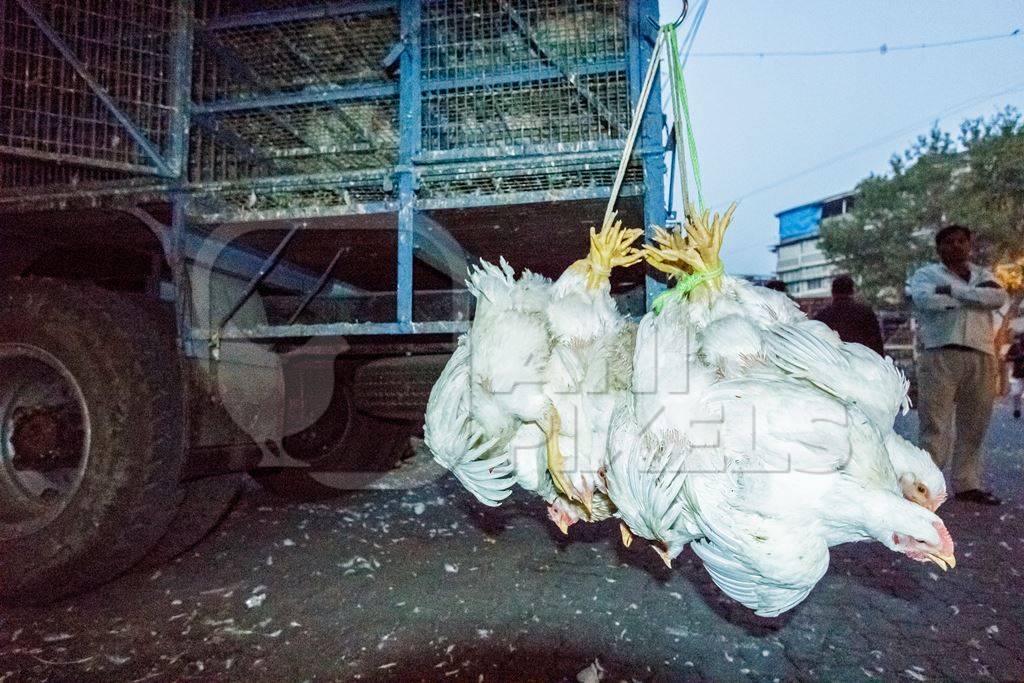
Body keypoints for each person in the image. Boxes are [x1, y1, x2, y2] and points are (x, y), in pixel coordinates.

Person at [906, 224, 1007, 505]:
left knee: (975, 423)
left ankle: (967, 484)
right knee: (934, 423)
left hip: (981, 353)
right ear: (939, 248)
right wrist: (973, 295)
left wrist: (952, 291)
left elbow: (997, 297)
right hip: (940, 354)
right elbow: (927, 301)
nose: (956, 246)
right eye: (949, 242)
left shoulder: (984, 275)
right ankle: (924, 487)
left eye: (962, 241)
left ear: (969, 245)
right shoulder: (926, 275)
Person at [814, 274, 885, 356]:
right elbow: (877, 346)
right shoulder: (866, 313)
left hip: (832, 365)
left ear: (833, 292)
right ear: (852, 291)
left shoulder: (822, 317)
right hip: (861, 363)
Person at [1008, 333, 1024, 419]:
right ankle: (1017, 409)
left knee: (1017, 394)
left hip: (1017, 373)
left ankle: (1017, 409)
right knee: (1016, 394)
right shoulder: (1015, 346)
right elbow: (1008, 357)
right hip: (1018, 373)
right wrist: (1017, 358)